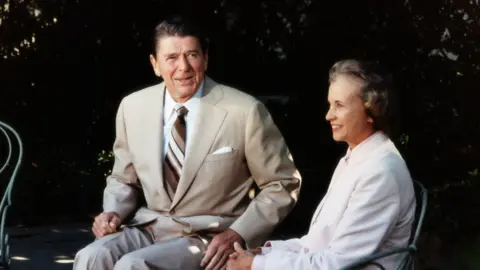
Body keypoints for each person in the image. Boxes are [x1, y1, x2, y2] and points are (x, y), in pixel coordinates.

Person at [73, 15, 301, 270]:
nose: (183, 67)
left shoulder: (244, 111)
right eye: (171, 58)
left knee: (133, 266)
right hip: (149, 227)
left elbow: (282, 183)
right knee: (90, 256)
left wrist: (239, 233)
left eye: (192, 55)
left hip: (208, 237)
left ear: (205, 58)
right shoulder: (132, 107)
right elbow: (124, 179)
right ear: (155, 64)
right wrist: (113, 212)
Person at [226, 59, 416, 270]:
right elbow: (315, 244)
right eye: (330, 104)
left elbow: (335, 264)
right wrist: (263, 252)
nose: (328, 116)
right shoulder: (358, 157)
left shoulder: (380, 172)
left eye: (339, 105)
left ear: (372, 111)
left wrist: (256, 265)